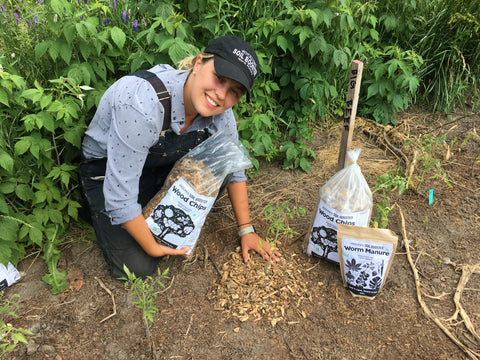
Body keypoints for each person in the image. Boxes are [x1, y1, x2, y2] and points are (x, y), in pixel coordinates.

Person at [79, 35, 281, 278]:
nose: (220, 95)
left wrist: (246, 230)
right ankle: (94, 207)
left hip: (159, 164)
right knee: (140, 266)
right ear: (198, 64)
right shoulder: (142, 102)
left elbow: (233, 165)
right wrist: (152, 246)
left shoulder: (220, 112)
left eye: (234, 92)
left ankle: (143, 206)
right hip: (107, 169)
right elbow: (121, 199)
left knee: (221, 161)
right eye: (219, 78)